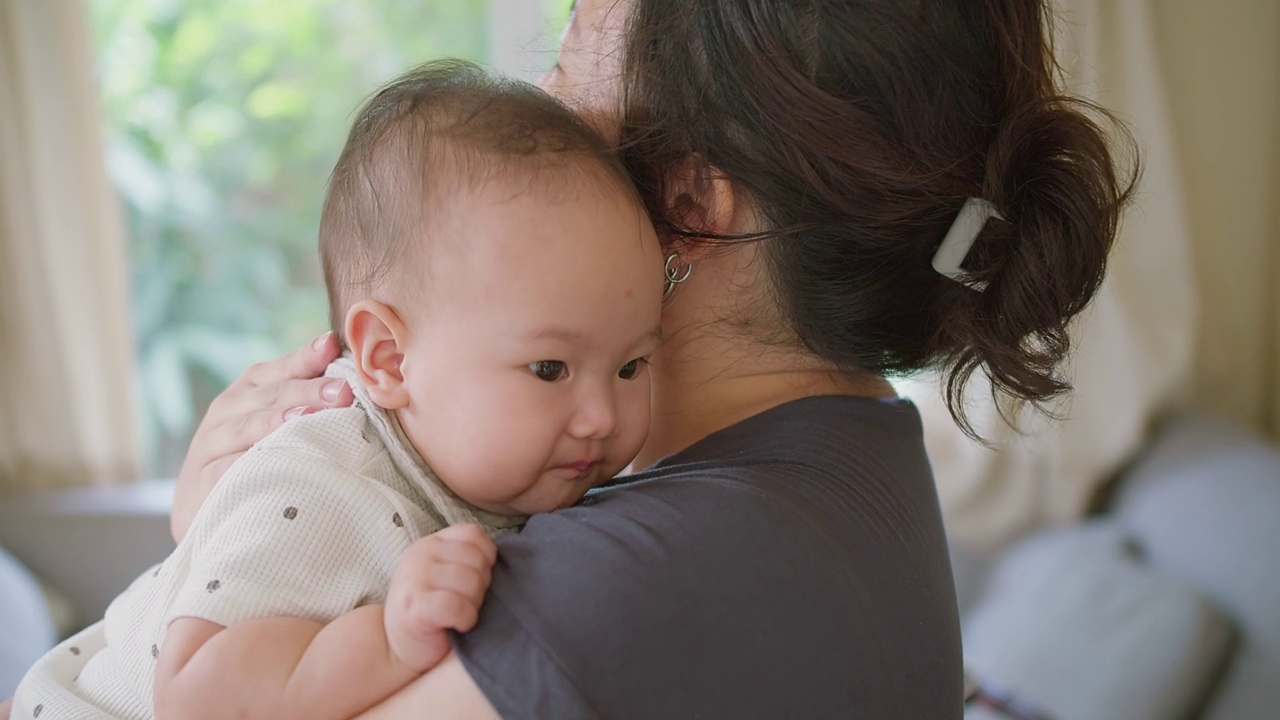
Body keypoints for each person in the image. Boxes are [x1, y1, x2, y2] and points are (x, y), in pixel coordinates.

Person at [5, 0, 1134, 717]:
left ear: (685, 206)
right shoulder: (847, 453)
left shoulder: (642, 582)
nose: (540, 112)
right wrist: (239, 531)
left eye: (569, 78)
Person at [6, 60, 664, 720]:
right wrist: (390, 639)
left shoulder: (494, 470)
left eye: (632, 366)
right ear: (389, 360)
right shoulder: (324, 483)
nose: (603, 417)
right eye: (550, 369)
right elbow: (199, 693)